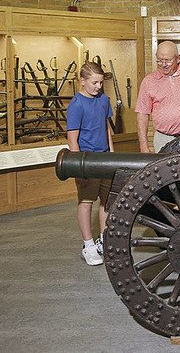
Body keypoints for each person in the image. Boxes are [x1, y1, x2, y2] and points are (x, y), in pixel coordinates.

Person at [66, 61, 114, 266]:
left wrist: (112, 154)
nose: (98, 87)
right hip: (86, 159)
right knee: (86, 202)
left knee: (106, 200)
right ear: (82, 81)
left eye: (101, 82)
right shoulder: (76, 104)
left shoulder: (103, 100)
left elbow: (106, 129)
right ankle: (88, 245)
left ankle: (104, 239)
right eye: (94, 82)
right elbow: (72, 139)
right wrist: (79, 168)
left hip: (104, 158)